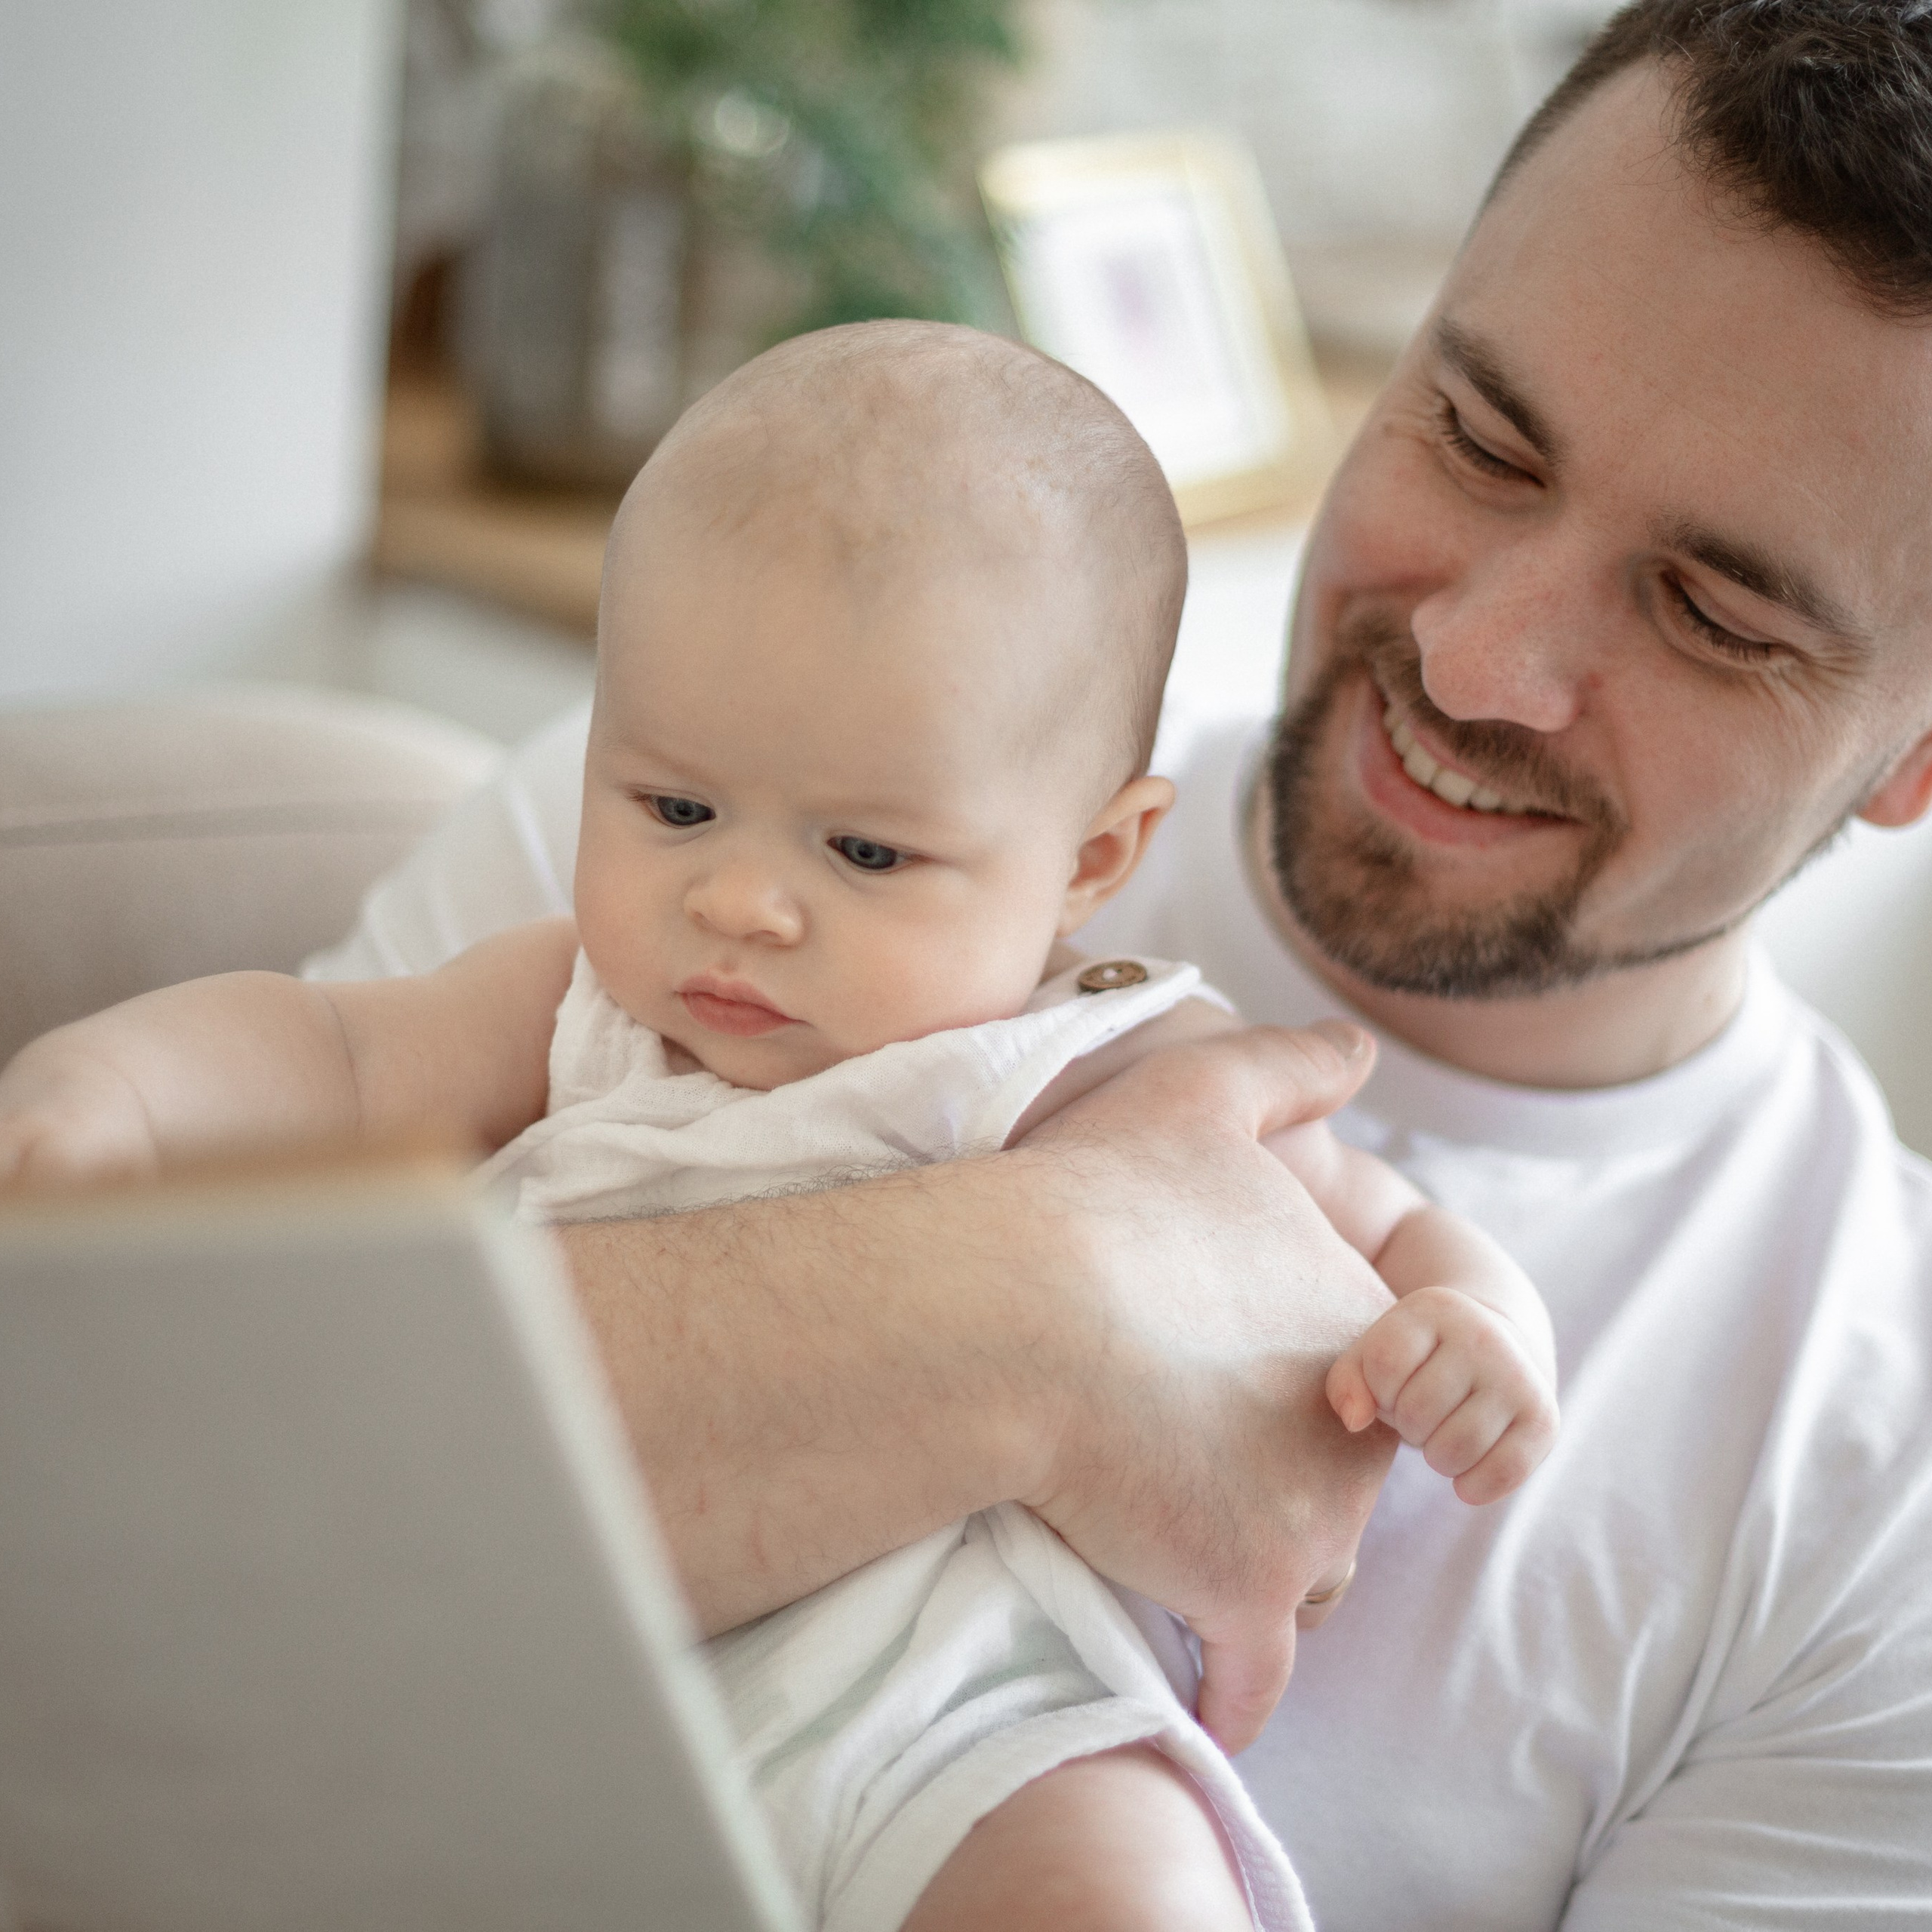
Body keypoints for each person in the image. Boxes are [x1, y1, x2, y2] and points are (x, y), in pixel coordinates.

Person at [283, 2, 1932, 1919]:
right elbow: (100, 1478)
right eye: (1478, 440)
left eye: (1711, 614)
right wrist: (1030, 1314)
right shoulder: (719, 825)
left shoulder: (1877, 1469)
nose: (1476, 657)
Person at [0, 326, 1558, 1929]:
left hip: (957, 1715)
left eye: (866, 853)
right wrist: (111, 1091)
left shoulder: (1107, 1061)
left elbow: (1369, 1226)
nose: (739, 901)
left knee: (1118, 1885)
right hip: (550, 1690)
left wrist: (1474, 1325)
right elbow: (330, 1050)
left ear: (1091, 860)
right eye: (674, 808)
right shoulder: (575, 1009)